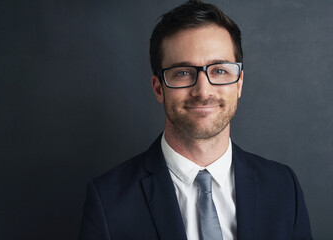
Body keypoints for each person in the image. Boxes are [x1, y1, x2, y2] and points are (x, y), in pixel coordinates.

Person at [79, 1, 312, 239]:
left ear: (239, 83)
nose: (203, 90)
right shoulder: (107, 200)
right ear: (158, 88)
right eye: (182, 73)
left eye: (219, 71)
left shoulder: (283, 187)